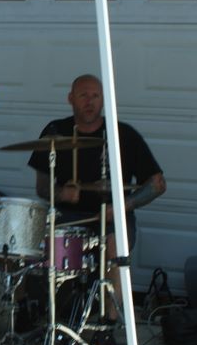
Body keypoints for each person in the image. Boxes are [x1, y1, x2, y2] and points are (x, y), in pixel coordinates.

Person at [28, 74, 166, 309]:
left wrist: (122, 207)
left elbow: (157, 184)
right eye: (83, 95)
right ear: (70, 98)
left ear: (104, 100)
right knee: (28, 239)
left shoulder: (123, 134)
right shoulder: (55, 130)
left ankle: (110, 321)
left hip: (112, 217)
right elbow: (42, 187)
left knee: (115, 243)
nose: (89, 101)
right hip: (68, 217)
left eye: (95, 96)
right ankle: (40, 312)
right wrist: (60, 194)